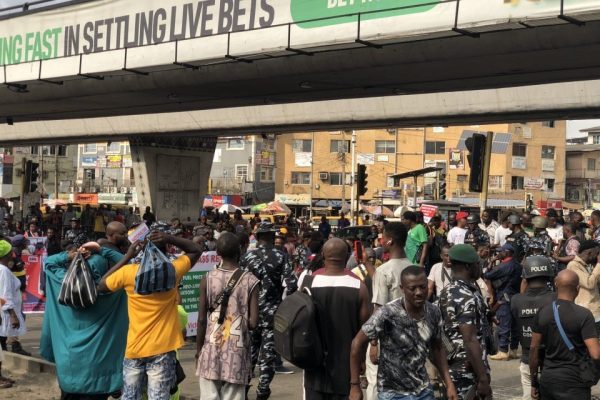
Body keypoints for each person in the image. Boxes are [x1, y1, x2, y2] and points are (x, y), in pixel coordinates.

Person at [98, 231, 203, 400]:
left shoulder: (128, 273)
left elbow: (101, 285)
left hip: (134, 348)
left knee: (130, 397)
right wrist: (170, 238)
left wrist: (127, 256)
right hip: (163, 349)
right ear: (167, 249)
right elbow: (196, 250)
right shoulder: (173, 271)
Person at [350, 266, 457, 400]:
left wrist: (449, 383)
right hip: (393, 392)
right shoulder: (387, 313)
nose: (418, 292)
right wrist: (355, 385)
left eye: (423, 287)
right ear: (402, 289)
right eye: (412, 288)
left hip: (423, 390)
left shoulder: (433, 311)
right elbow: (357, 343)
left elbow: (438, 348)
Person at [41, 241, 127, 400]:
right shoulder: (114, 291)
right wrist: (102, 251)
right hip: (100, 376)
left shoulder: (62, 283)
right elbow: (131, 264)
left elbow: (49, 263)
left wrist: (71, 255)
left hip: (69, 369)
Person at [299, 238, 371, 400]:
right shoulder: (359, 287)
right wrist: (361, 362)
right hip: (346, 369)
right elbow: (365, 330)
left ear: (323, 255)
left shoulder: (308, 283)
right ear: (347, 256)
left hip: (315, 367)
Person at [196, 232, 259, 400]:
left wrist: (198, 351)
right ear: (240, 252)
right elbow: (253, 323)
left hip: (211, 347)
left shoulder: (207, 279)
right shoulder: (250, 280)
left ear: (217, 253)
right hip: (237, 351)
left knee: (209, 396)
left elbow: (202, 320)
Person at [240, 222, 298, 400]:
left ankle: (243, 388)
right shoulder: (281, 256)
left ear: (257, 238)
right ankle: (262, 390)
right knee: (268, 353)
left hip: (250, 313)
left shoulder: (247, 257)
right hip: (273, 312)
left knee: (249, 352)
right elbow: (292, 284)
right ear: (273, 237)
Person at [529, 269, 600, 400]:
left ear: (556, 285)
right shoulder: (584, 315)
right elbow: (595, 354)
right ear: (577, 288)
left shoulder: (543, 312)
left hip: (548, 379)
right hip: (575, 382)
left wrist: (534, 382)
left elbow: (534, 348)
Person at [439, 244, 492, 400]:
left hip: (454, 367)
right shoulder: (465, 295)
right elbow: (469, 339)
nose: (480, 266)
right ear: (469, 266)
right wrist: (482, 379)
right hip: (467, 371)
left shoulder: (449, 289)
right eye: (478, 263)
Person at [366, 222, 412, 400]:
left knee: (376, 383)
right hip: (409, 338)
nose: (381, 240)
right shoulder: (413, 267)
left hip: (387, 338)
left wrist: (373, 344)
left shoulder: (384, 271)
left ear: (390, 241)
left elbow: (378, 310)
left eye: (382, 237)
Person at [510, 256, 555, 400]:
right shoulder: (556, 298)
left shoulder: (516, 300)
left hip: (528, 357)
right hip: (552, 358)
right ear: (549, 275)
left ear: (525, 277)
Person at [484, 243, 522, 361]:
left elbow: (486, 275)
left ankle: (503, 351)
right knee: (515, 325)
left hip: (504, 298)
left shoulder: (503, 266)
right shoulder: (517, 265)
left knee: (504, 324)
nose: (498, 253)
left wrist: (490, 262)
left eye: (501, 251)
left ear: (508, 253)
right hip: (515, 297)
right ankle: (514, 350)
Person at [0, 240, 27, 360]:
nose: (13, 253)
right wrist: (13, 315)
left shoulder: (3, 269)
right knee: (2, 344)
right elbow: (5, 294)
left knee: (2, 345)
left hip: (3, 311)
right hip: (6, 313)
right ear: (7, 254)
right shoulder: (4, 271)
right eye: (11, 251)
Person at [566, 240, 600, 331]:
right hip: (587, 311)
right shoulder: (573, 265)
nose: (597, 256)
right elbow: (589, 283)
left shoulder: (588, 265)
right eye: (597, 253)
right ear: (589, 252)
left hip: (595, 310)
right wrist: (599, 264)